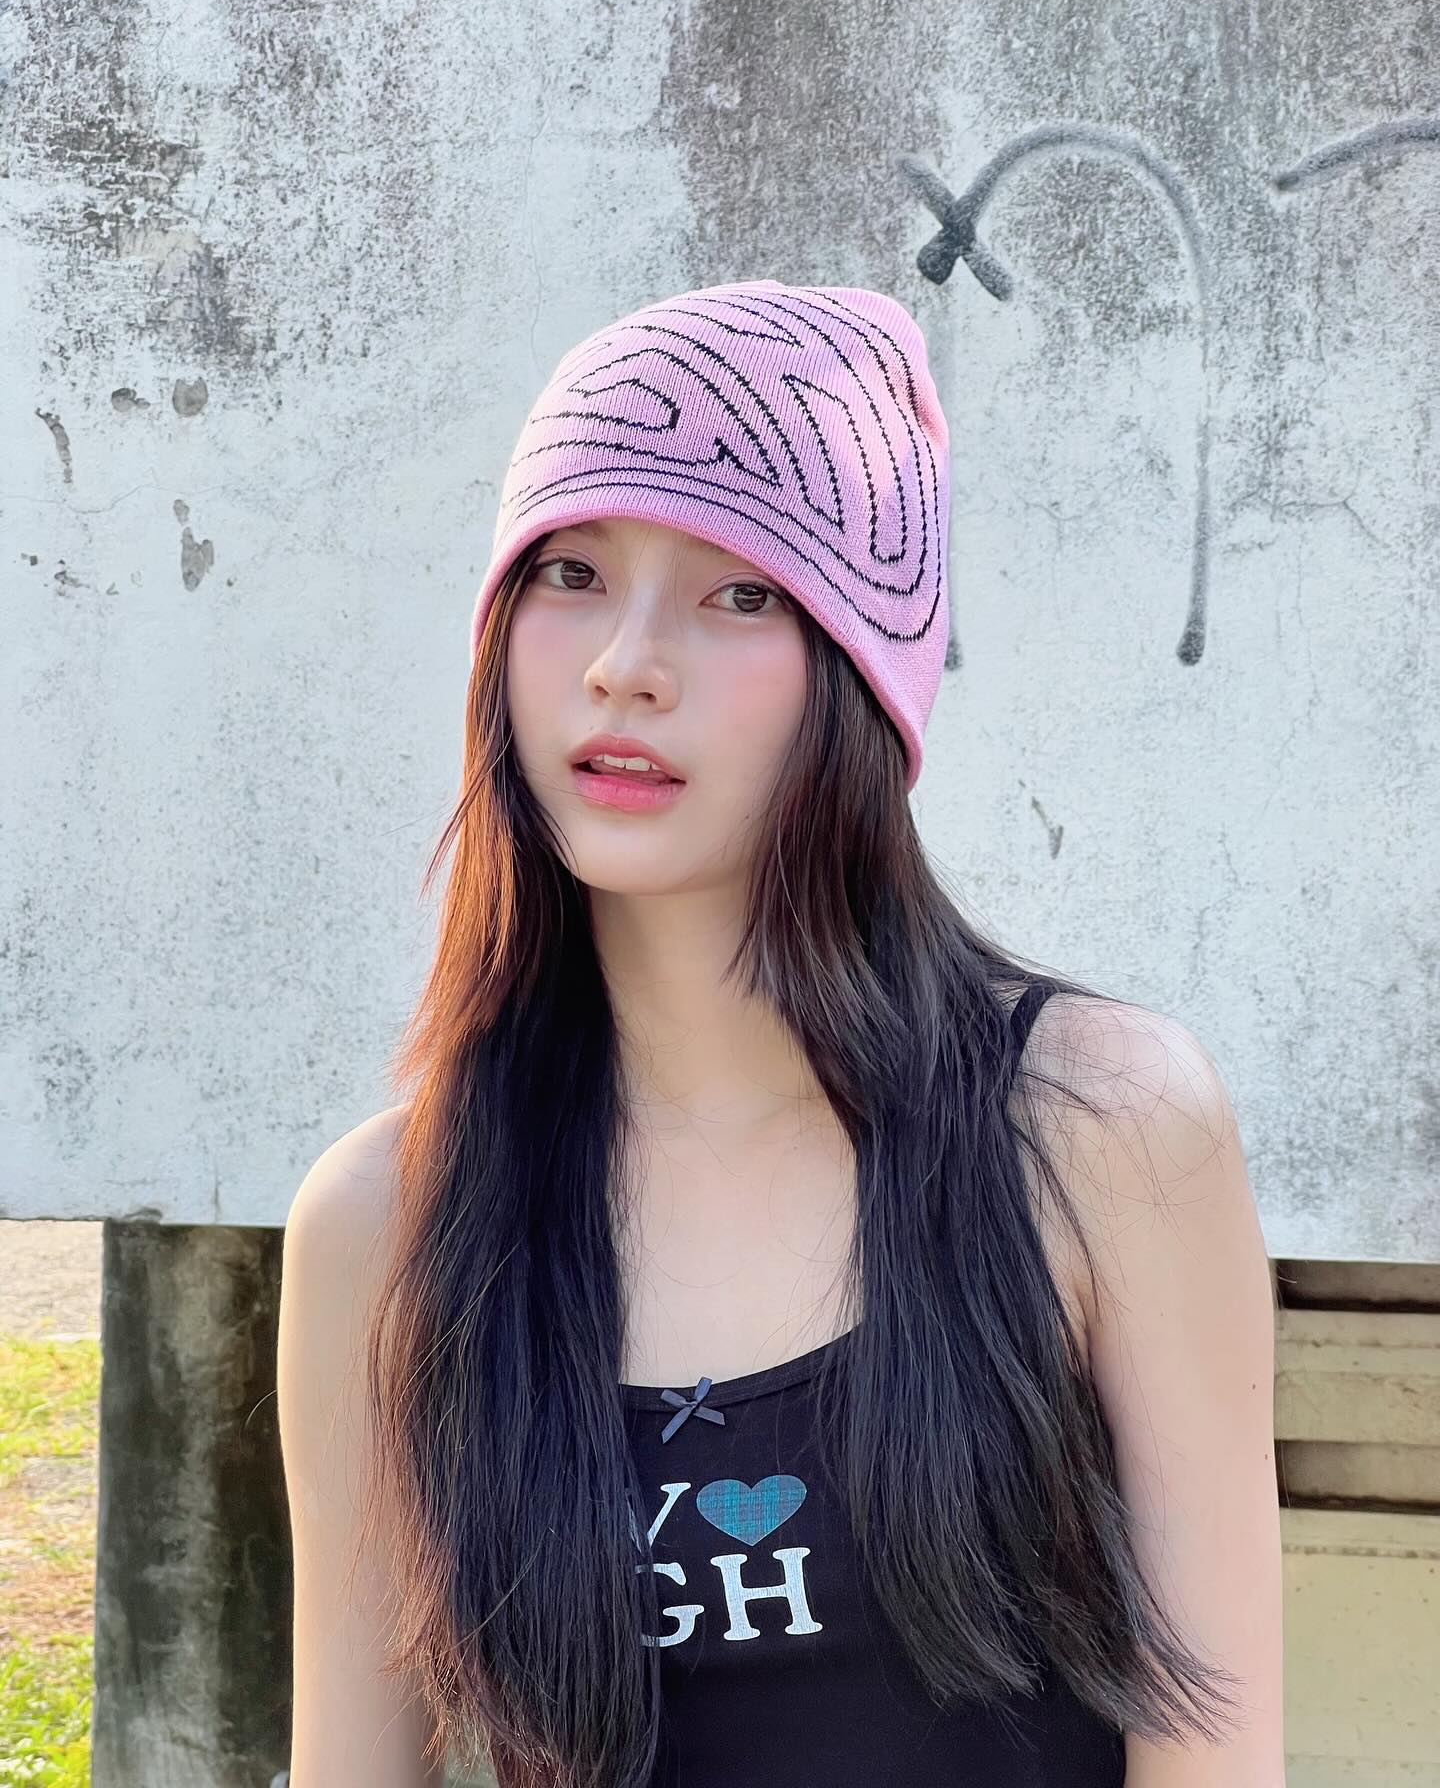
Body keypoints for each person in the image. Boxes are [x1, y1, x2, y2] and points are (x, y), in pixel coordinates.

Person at [277, 280, 1285, 1788]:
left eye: (741, 593)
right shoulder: (390, 1220)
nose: (625, 661)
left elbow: (1216, 1756)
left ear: (865, 674)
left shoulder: (1097, 1132)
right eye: (570, 572)